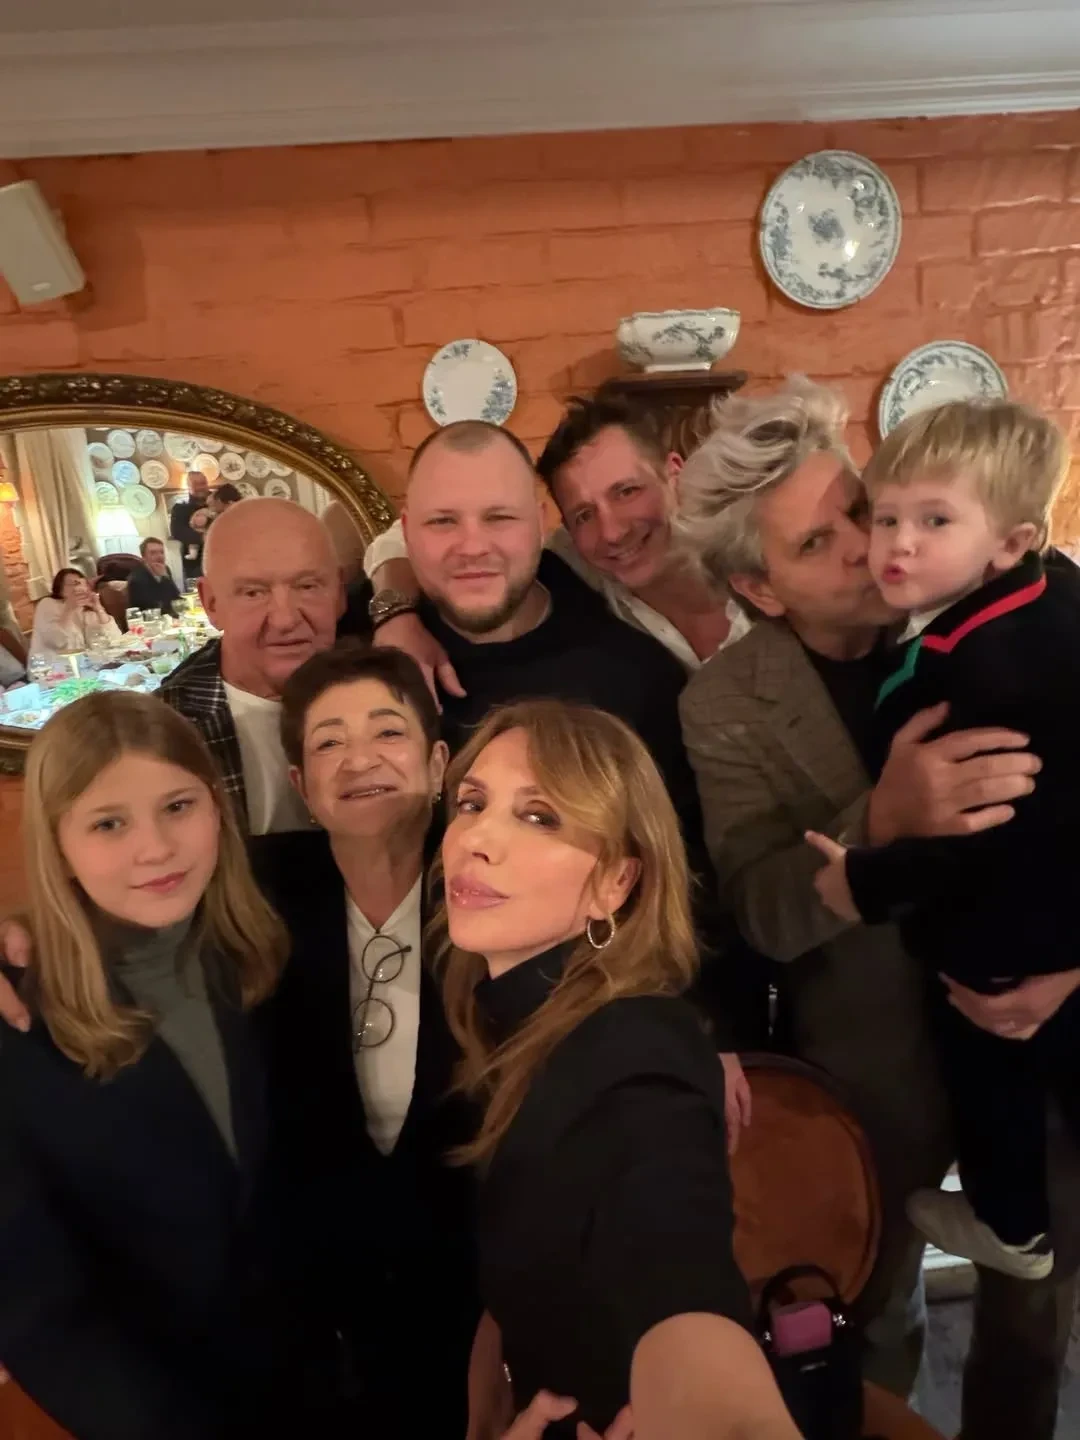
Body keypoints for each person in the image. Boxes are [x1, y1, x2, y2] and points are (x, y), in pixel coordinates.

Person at [674, 376, 1080, 1439]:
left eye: (861, 507)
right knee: (870, 1321)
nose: (872, 546)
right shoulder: (725, 702)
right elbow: (760, 908)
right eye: (818, 543)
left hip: (1039, 1028)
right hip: (872, 1071)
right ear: (761, 588)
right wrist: (882, 820)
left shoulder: (1029, 600)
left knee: (1034, 1317)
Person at [439, 699, 793, 1440]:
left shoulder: (635, 1056)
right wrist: (491, 1366)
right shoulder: (524, 1020)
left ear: (617, 882)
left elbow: (677, 1267)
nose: (477, 839)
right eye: (472, 803)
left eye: (540, 817)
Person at [807, 399, 1080, 1283]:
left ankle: (1010, 1225)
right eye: (886, 516)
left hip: (1014, 925)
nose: (896, 545)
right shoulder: (1051, 592)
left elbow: (973, 830)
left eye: (934, 522)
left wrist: (867, 883)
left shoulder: (970, 666)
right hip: (1056, 910)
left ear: (1010, 542)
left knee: (985, 1061)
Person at [0, 690, 291, 1440]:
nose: (155, 848)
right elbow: (38, 1312)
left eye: (177, 807)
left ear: (217, 807)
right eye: (108, 824)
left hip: (311, 1377)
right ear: (56, 842)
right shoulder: (17, 1024)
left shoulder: (258, 947)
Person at [254, 640, 478, 1437]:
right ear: (301, 786)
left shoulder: (497, 885)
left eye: (387, 731)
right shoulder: (257, 891)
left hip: (483, 1300)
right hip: (318, 1322)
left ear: (438, 763)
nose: (359, 760)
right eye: (328, 743)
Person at [364, 392, 750, 686]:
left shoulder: (753, 550)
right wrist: (396, 615)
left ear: (674, 472)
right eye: (583, 514)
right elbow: (400, 539)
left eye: (627, 492)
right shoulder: (570, 558)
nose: (612, 532)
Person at [160, 497, 345, 833]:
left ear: (340, 594)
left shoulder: (389, 693)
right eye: (253, 593)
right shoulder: (166, 730)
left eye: (307, 586)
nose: (286, 619)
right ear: (211, 603)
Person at [29, 566, 122, 658]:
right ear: (60, 589)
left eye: (82, 583)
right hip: (51, 665)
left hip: (87, 663)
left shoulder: (86, 610)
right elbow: (57, 642)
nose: (78, 588)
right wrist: (69, 609)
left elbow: (114, 639)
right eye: (74, 583)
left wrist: (98, 608)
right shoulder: (47, 604)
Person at [169, 471, 212, 584]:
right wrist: (204, 537)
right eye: (196, 484)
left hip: (222, 560)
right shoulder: (180, 509)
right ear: (188, 486)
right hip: (195, 566)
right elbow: (177, 532)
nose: (200, 487)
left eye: (203, 483)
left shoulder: (218, 503)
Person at [126, 536, 183, 617]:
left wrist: (165, 577)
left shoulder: (165, 569)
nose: (159, 556)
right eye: (153, 553)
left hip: (170, 617)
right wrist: (164, 579)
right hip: (150, 619)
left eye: (162, 552)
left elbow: (177, 599)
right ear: (144, 557)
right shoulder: (137, 579)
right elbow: (156, 606)